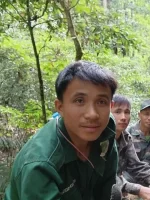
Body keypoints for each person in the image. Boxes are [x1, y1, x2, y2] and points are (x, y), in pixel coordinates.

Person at [5, 61, 119, 200]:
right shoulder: (40, 163)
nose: (92, 114)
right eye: (79, 100)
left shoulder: (106, 131)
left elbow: (106, 187)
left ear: (110, 106)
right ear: (60, 107)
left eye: (101, 102)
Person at [111, 95, 150, 200]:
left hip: (127, 181)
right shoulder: (101, 139)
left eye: (127, 112)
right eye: (117, 112)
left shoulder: (126, 137)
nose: (123, 117)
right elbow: (108, 177)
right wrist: (139, 189)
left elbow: (136, 165)